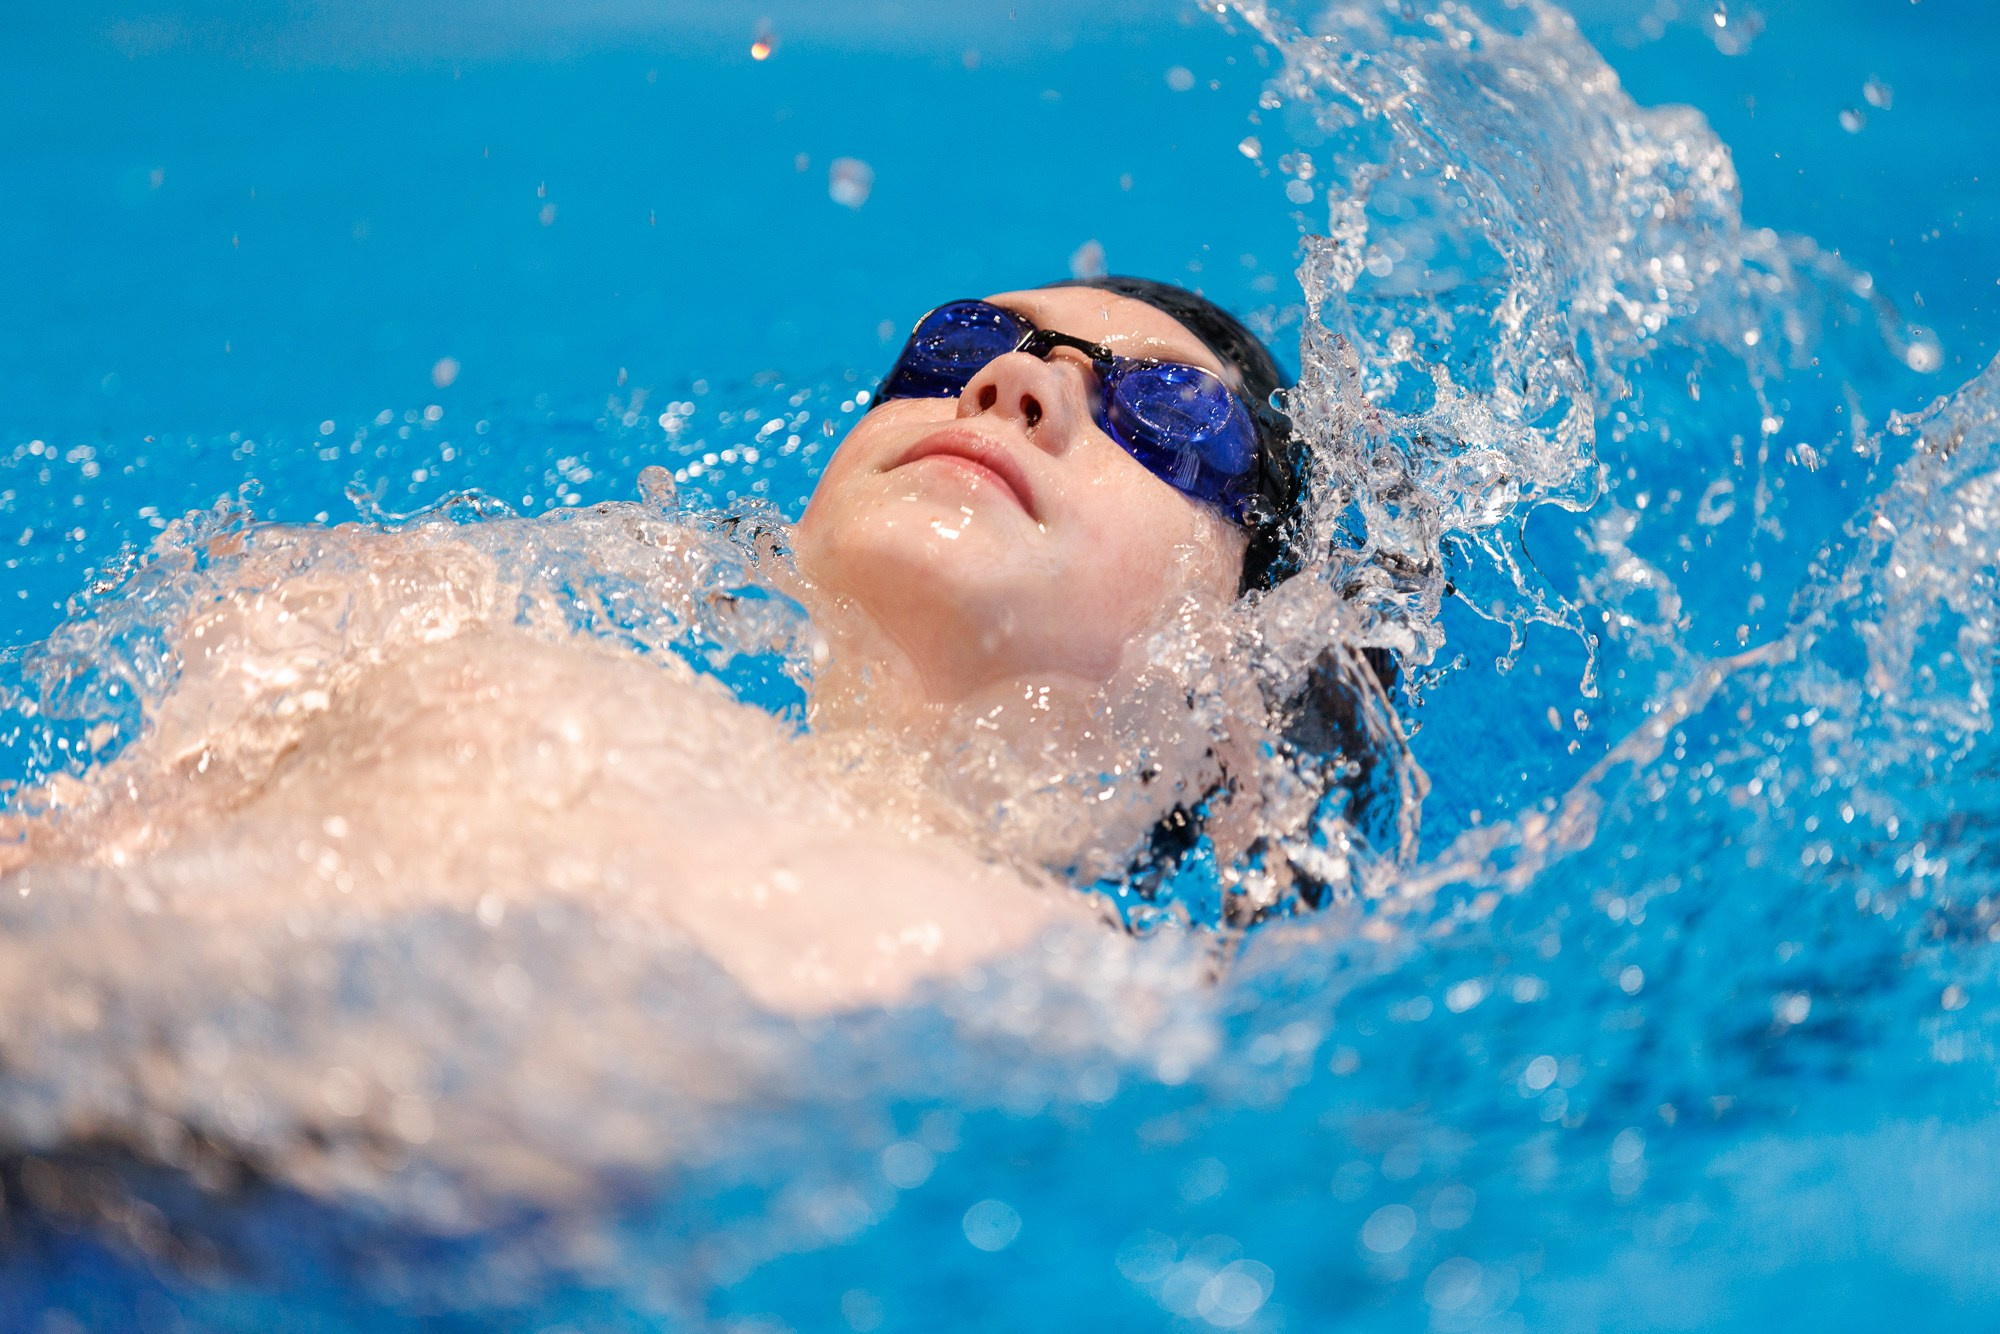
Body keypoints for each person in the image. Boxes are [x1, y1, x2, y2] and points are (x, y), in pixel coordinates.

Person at [0, 277, 1405, 1018]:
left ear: (1253, 669)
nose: (1010, 381)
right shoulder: (430, 623)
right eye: (960, 341)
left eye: (1166, 417)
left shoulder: (1095, 1002)